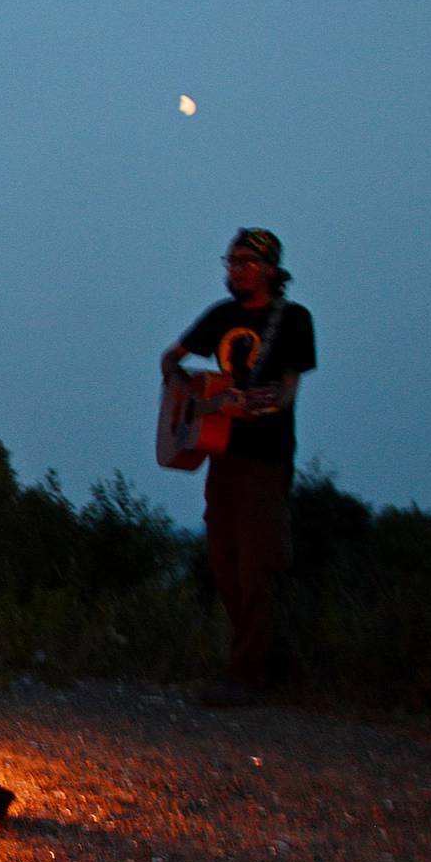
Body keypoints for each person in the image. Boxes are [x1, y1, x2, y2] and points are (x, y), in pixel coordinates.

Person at [161, 228, 316, 707]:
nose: (234, 270)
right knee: (224, 564)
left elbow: (287, 388)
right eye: (230, 261)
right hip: (221, 456)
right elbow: (171, 358)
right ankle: (257, 665)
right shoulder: (221, 316)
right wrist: (189, 393)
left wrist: (262, 404)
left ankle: (248, 677)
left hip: (265, 459)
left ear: (271, 268)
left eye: (245, 262)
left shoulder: (291, 320)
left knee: (259, 566)